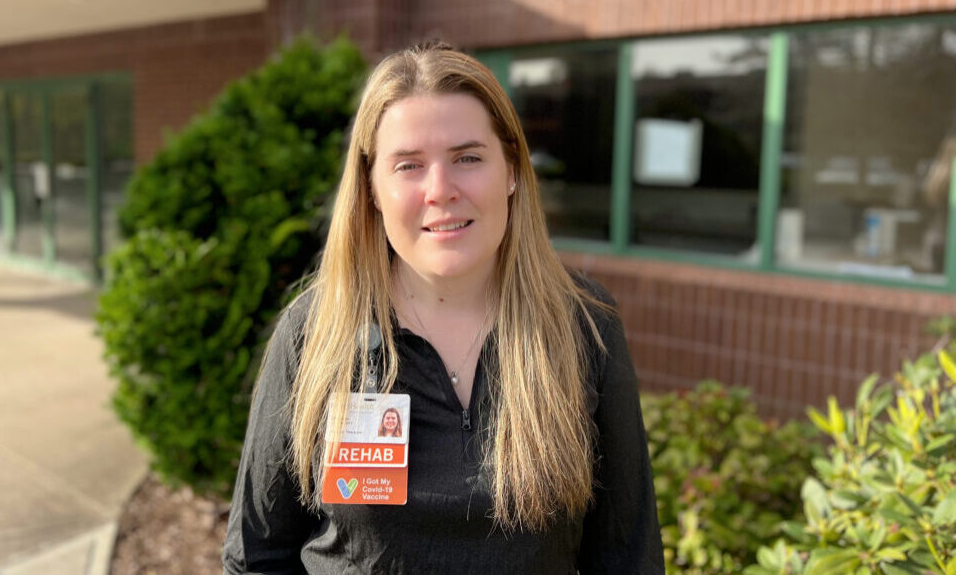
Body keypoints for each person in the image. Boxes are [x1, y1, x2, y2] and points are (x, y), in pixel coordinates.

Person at [223, 43, 664, 575]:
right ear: (372, 190)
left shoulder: (585, 326)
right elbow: (257, 558)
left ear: (513, 172)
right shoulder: (314, 333)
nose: (440, 191)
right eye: (409, 165)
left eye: (467, 158)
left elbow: (627, 556)